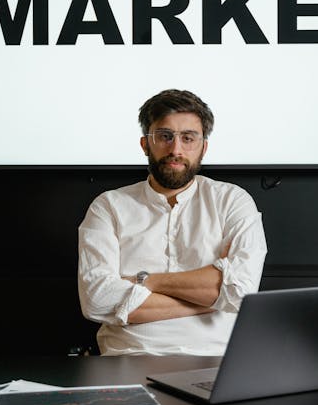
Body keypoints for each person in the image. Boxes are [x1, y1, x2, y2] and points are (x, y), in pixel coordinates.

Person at [77, 89, 268, 356]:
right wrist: (213, 299)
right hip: (128, 358)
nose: (176, 149)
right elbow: (97, 300)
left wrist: (146, 281)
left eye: (188, 138)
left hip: (217, 360)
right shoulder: (108, 206)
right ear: (145, 144)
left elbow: (241, 291)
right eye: (165, 136)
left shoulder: (232, 201)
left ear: (203, 146)